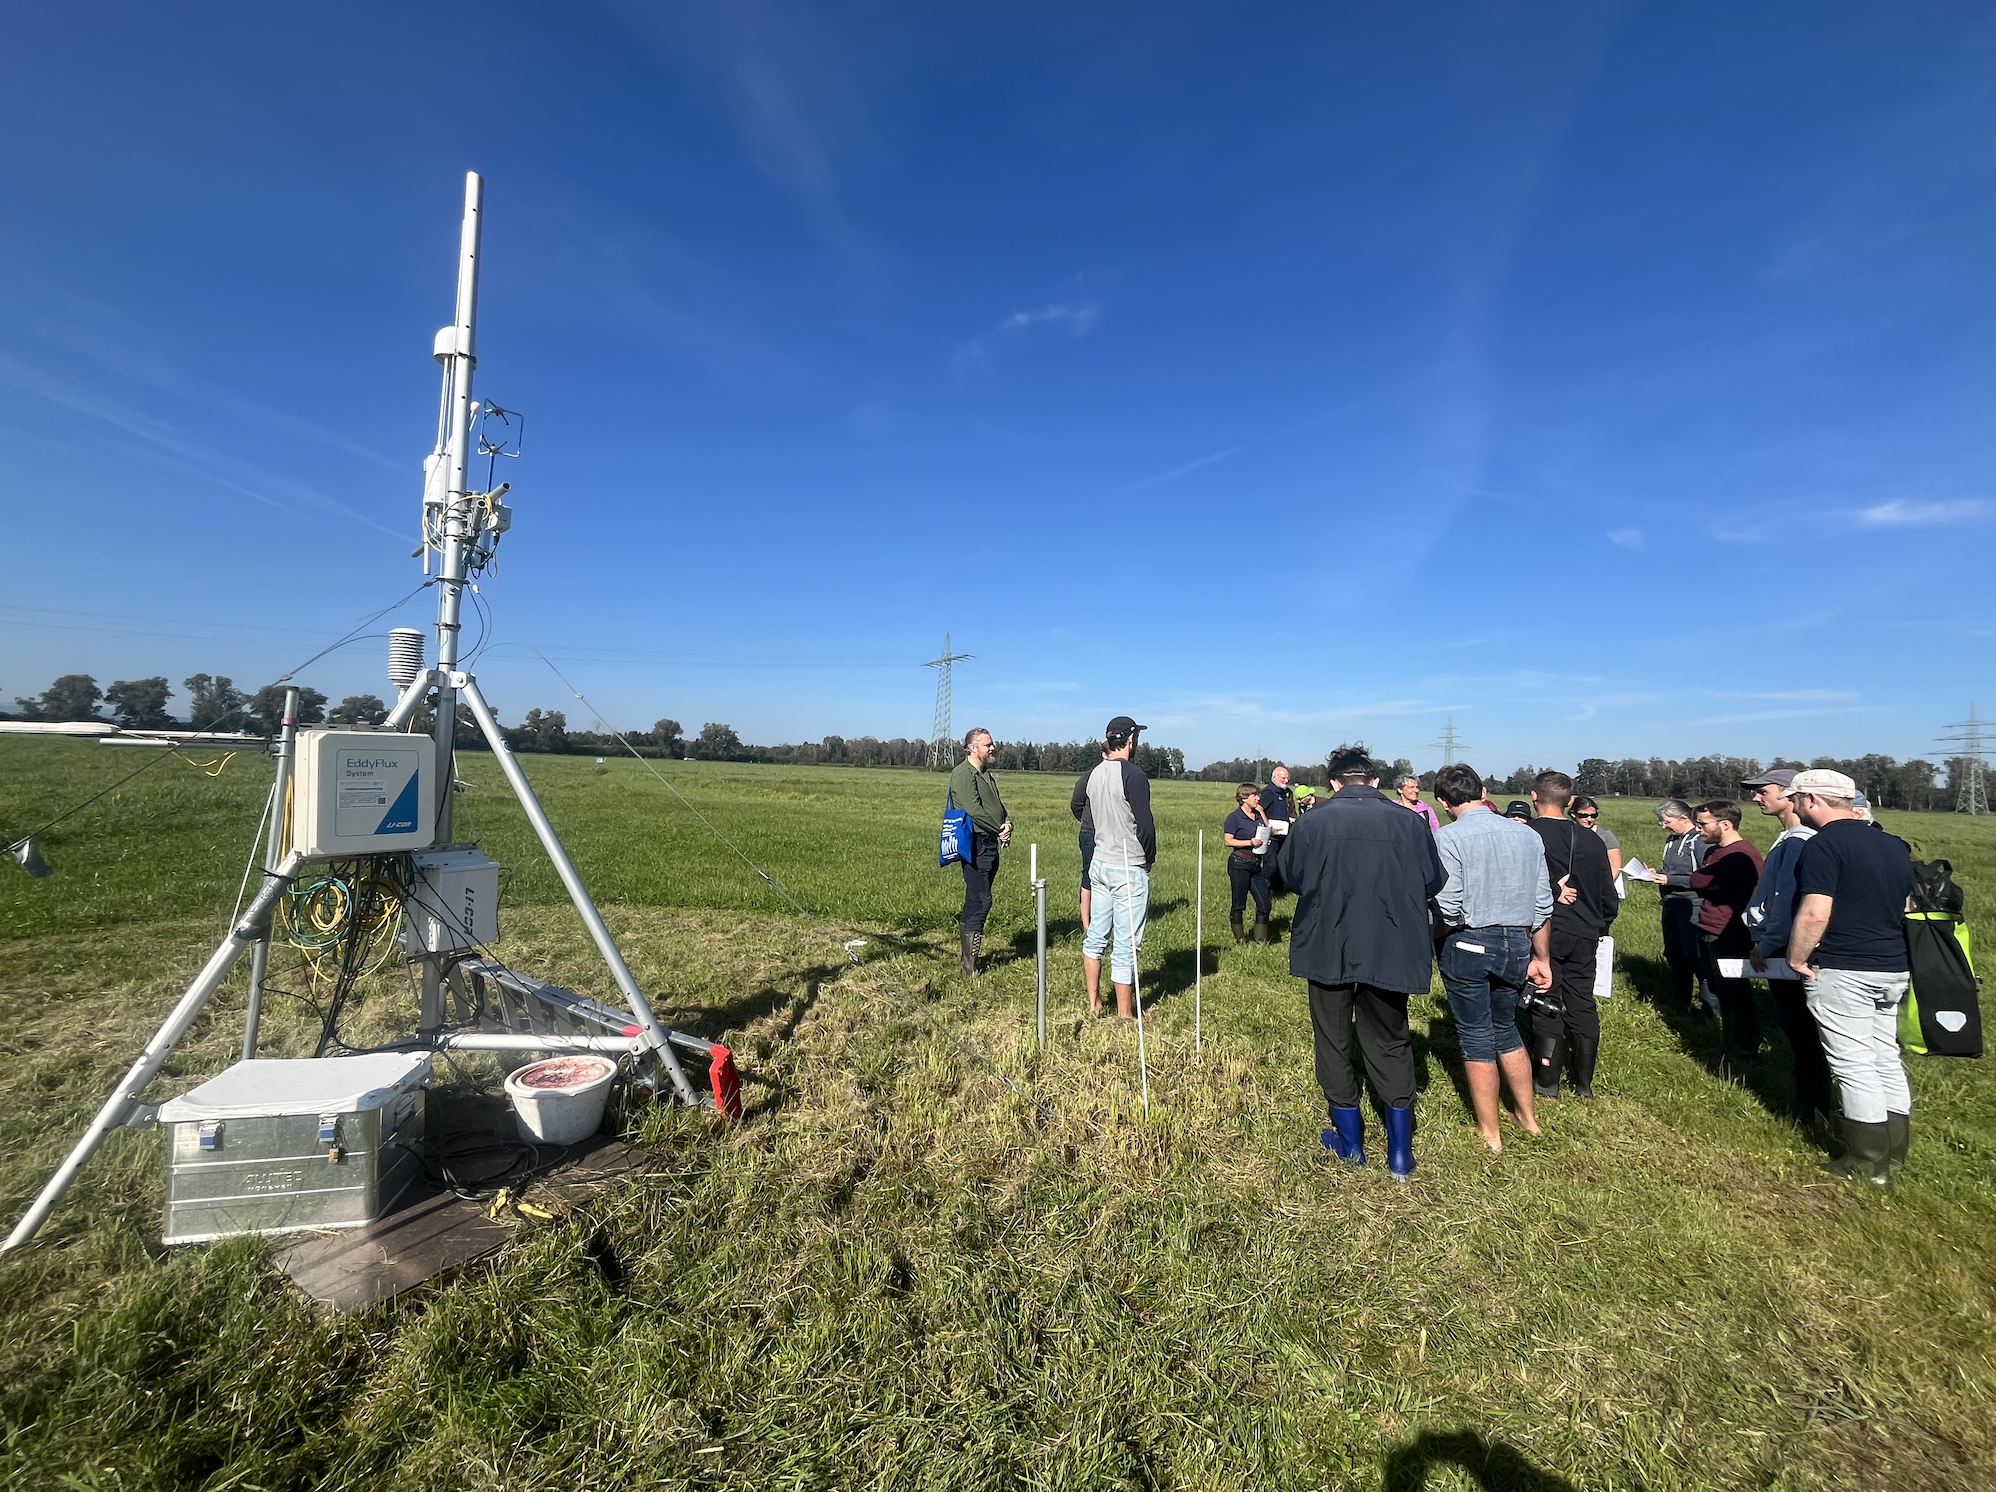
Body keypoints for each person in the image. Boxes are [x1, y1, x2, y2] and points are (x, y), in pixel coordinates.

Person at [1270, 744, 1444, 1179]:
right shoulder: (1410, 821)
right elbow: (1432, 881)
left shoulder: (1312, 822)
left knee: (1333, 1039)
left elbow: (1290, 877)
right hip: (1391, 945)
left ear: (1333, 782)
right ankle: (1400, 1154)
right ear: (1375, 781)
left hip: (1328, 944)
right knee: (1391, 1037)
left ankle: (1351, 1144)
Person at [1787, 769, 1917, 1185]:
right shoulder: (1893, 844)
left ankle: (1865, 1161)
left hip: (1846, 967)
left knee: (1853, 1063)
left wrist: (1797, 958)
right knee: (1884, 1058)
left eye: (1796, 800)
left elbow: (1815, 911)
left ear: (1812, 800)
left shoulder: (1823, 845)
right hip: (1894, 965)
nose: (1794, 807)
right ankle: (1894, 1155)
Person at [1431, 763, 1553, 1152]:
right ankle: (1528, 1118)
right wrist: (1542, 957)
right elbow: (1542, 904)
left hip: (1468, 941)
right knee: (1507, 1028)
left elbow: (1448, 904)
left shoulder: (1447, 837)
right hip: (1517, 942)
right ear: (1483, 790)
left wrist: (1435, 936)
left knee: (1475, 1034)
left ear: (1443, 801)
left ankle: (1490, 1131)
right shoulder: (1527, 835)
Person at [1740, 769, 1836, 1125]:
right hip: (1790, 945)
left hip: (1788, 949)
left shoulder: (1798, 840)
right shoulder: (1792, 837)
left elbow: (1787, 902)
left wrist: (1767, 943)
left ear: (1789, 793)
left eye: (1762, 791)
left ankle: (1812, 1110)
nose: (1755, 798)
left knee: (1802, 1029)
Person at [1524, 771, 1619, 1098]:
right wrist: (1599, 925)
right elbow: (1609, 896)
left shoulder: (1526, 836)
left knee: (1546, 999)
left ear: (1534, 796)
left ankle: (1547, 1083)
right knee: (1582, 1001)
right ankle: (1583, 1083)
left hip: (1542, 931)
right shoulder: (1592, 840)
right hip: (1584, 933)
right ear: (1570, 802)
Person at [1082, 717, 1157, 1018]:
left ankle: (1094, 1002)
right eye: (1136, 737)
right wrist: (1148, 858)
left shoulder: (1094, 773)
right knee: (1126, 944)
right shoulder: (1134, 775)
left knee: (1096, 935)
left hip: (1099, 863)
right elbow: (1145, 825)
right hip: (1128, 865)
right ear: (1129, 740)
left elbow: (1080, 807)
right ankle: (1125, 1016)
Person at [1688, 801, 1766, 1062]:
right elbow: (1701, 883)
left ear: (1725, 824)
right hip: (1709, 926)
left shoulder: (1740, 855)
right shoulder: (1714, 852)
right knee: (1722, 991)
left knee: (1735, 993)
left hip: (1728, 932)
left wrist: (1706, 881)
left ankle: (1744, 1050)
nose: (1698, 830)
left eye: (1703, 824)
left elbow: (1697, 880)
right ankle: (1729, 1045)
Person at [948, 727, 1012, 975]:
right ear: (973, 748)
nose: (992, 748)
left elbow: (998, 805)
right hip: (975, 844)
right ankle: (969, 966)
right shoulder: (963, 774)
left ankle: (969, 962)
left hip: (989, 843)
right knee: (981, 899)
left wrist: (1008, 823)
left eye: (992, 744)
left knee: (975, 898)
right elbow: (973, 811)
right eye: (988, 745)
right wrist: (999, 829)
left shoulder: (985, 774)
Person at [1651, 800, 1708, 1015]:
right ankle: (1680, 1001)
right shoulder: (1672, 839)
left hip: (1691, 903)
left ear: (1684, 818)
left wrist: (1669, 879)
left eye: (1666, 821)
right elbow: (1671, 871)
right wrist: (1655, 874)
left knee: (1693, 955)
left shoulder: (1699, 842)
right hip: (1671, 902)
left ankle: (1709, 1006)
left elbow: (1704, 877)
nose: (1663, 825)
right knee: (1674, 953)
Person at [1222, 783, 1273, 944]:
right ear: (1244, 798)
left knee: (1265, 904)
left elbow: (1267, 829)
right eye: (1254, 795)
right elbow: (1228, 841)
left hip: (1256, 865)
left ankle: (1261, 940)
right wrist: (1250, 842)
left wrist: (1262, 812)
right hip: (1239, 863)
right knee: (1239, 903)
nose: (1258, 798)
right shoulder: (1234, 818)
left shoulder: (1257, 816)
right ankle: (1241, 939)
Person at [1069, 744, 1110, 937]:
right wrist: (1088, 821)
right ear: (1103, 754)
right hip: (1090, 834)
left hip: (1111, 835)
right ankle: (1087, 925)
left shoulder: (1120, 775)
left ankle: (1106, 921)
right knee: (1089, 877)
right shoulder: (1089, 777)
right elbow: (1076, 804)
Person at [1571, 795, 1623, 884]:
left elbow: (1615, 866)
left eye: (1593, 815)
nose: (1589, 819)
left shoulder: (1606, 835)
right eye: (1584, 815)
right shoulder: (1567, 832)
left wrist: (1606, 885)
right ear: (1573, 814)